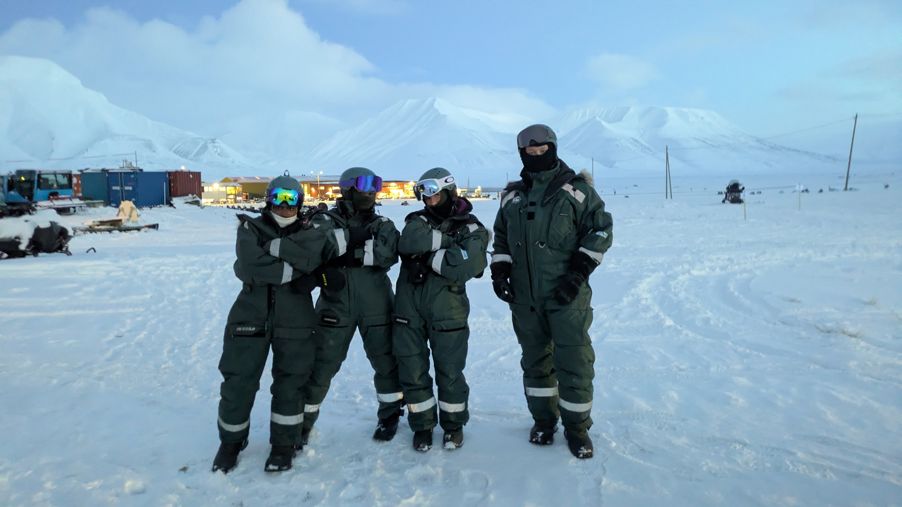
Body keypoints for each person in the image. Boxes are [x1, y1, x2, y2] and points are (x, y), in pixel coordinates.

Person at [491, 124, 613, 459]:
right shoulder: (512, 197)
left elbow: (601, 231)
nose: (535, 155)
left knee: (574, 361)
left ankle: (577, 430)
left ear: (553, 150)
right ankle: (543, 422)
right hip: (525, 299)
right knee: (535, 362)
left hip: (566, 294)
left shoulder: (576, 191)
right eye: (529, 152)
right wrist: (500, 271)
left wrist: (578, 272)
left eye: (542, 150)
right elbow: (501, 237)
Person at [212, 174, 343, 474]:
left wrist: (272, 250)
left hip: (296, 320)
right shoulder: (250, 228)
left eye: (291, 198)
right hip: (249, 317)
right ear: (269, 199)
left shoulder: (311, 232)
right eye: (279, 197)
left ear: (300, 202)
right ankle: (231, 442)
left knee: (292, 383)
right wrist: (300, 271)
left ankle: (284, 445)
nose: (284, 205)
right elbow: (249, 266)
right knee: (238, 381)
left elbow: (311, 257)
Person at [297, 167, 405, 445]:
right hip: (335, 306)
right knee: (321, 365)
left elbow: (387, 254)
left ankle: (390, 415)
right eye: (364, 185)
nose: (371, 192)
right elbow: (318, 247)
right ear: (347, 188)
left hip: (377, 304)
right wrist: (357, 244)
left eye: (375, 185)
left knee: (386, 363)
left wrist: (344, 251)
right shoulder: (323, 219)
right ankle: (302, 423)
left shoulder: (383, 224)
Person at [393, 168, 489, 452]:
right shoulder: (416, 220)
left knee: (450, 371)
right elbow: (408, 242)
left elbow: (466, 265)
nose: (430, 199)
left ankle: (453, 425)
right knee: (413, 370)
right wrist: (449, 244)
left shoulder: (472, 228)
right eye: (424, 194)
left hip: (449, 310)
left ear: (449, 191)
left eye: (434, 193)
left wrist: (425, 258)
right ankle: (422, 425)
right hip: (409, 308)